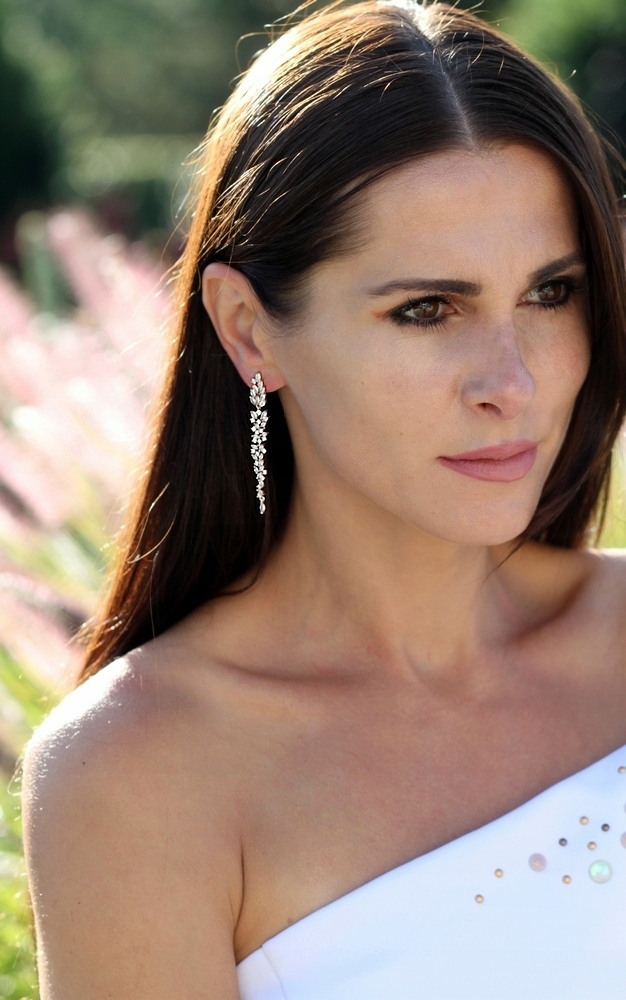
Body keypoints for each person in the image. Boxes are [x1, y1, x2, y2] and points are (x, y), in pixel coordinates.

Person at [20, 1, 626, 997]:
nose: (511, 383)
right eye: (426, 309)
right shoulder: (138, 774)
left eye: (549, 294)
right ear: (248, 329)